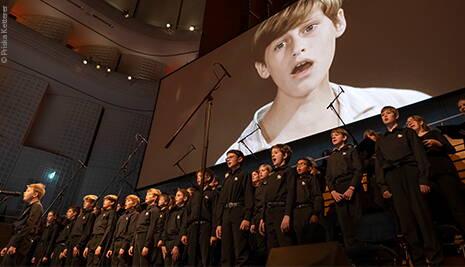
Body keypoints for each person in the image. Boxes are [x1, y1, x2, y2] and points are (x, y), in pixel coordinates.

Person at [216, 0, 429, 164]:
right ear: (262, 67)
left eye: (309, 28)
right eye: (280, 44)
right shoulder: (237, 155)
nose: (297, 48)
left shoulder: (405, 103)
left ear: (338, 22)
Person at [375, 106, 442, 265]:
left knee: (422, 216)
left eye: (388, 113)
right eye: (382, 114)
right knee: (406, 221)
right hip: (393, 178)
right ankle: (417, 259)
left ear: (396, 115)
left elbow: (420, 156)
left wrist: (424, 179)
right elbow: (379, 165)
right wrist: (383, 186)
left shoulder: (408, 133)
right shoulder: (381, 140)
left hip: (411, 174)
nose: (385, 116)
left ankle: (435, 257)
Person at [407, 115, 465, 233]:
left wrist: (437, 143)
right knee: (441, 208)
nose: (409, 123)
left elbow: (451, 149)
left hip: (444, 172)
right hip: (429, 178)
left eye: (412, 121)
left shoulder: (434, 133)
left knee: (456, 205)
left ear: (421, 121)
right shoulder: (412, 142)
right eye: (407, 123)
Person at [325, 128, 362, 247]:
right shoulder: (331, 157)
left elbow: (358, 169)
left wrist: (351, 188)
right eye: (332, 136)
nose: (333, 137)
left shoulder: (351, 151)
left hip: (351, 187)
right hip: (338, 190)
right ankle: (351, 254)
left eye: (336, 135)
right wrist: (333, 192)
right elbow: (328, 177)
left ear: (344, 137)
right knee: (344, 223)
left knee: (357, 221)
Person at [215, 150, 253, 266]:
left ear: (240, 159)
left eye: (231, 157)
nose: (228, 159)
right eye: (227, 158)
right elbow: (221, 201)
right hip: (226, 215)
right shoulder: (227, 179)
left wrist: (246, 217)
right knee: (226, 250)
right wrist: (219, 223)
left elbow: (248, 196)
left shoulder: (244, 174)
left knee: (240, 247)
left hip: (238, 213)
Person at [259, 144, 296, 251]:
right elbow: (266, 198)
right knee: (272, 247)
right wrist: (262, 218)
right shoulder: (272, 175)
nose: (272, 156)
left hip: (281, 211)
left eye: (276, 153)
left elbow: (291, 193)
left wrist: (287, 215)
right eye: (272, 154)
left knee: (284, 243)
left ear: (284, 155)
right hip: (269, 214)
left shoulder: (289, 171)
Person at [0, 183, 45, 266]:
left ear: (35, 194)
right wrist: (8, 245)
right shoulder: (31, 206)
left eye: (28, 191)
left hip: (20, 245)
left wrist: (14, 244)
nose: (24, 192)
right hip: (15, 242)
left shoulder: (37, 207)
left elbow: (28, 227)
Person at [181, 169, 218, 266]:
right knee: (192, 256)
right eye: (197, 176)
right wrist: (184, 232)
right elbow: (187, 213)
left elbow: (215, 213)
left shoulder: (212, 193)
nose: (198, 178)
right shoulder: (194, 194)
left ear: (208, 177)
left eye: (201, 176)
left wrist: (213, 233)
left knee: (205, 256)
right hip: (193, 227)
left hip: (205, 226)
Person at [294, 157, 324, 244]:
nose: (299, 166)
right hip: (296, 212)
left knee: (310, 239)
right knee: (299, 239)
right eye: (297, 164)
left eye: (302, 164)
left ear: (309, 168)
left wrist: (315, 213)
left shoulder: (312, 179)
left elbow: (317, 196)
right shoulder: (294, 181)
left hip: (308, 210)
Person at [129, 188, 161, 267]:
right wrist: (132, 244)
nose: (146, 196)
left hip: (145, 238)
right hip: (137, 238)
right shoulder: (143, 212)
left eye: (149, 194)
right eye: (146, 194)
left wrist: (147, 245)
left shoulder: (155, 210)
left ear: (155, 197)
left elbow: (152, 228)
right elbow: (137, 228)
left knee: (143, 263)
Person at [83, 194, 118, 266]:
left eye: (107, 200)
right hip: (93, 240)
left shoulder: (112, 213)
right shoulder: (101, 214)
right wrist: (87, 245)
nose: (104, 202)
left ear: (112, 202)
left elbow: (109, 229)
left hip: (100, 239)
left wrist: (101, 245)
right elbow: (93, 231)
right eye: (104, 200)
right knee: (89, 263)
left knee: (96, 262)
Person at [106, 194, 139, 267]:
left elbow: (131, 232)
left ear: (134, 203)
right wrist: (111, 248)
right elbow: (115, 233)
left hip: (123, 244)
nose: (126, 203)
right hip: (116, 244)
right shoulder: (122, 216)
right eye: (126, 201)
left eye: (128, 201)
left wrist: (124, 247)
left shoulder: (135, 215)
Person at [64, 195, 98, 266]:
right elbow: (73, 231)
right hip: (72, 242)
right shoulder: (81, 215)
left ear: (92, 204)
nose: (84, 203)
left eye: (87, 202)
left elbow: (87, 232)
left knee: (74, 263)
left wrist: (79, 245)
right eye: (84, 201)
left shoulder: (91, 215)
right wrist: (67, 246)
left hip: (78, 242)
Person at [160, 189, 189, 266]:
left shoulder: (185, 210)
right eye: (176, 195)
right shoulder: (171, 211)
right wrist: (163, 244)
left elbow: (183, 227)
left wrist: (177, 246)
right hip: (167, 243)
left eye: (179, 195)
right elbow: (165, 227)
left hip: (176, 242)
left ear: (185, 198)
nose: (176, 197)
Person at [249, 164, 270, 266]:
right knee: (259, 246)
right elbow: (255, 207)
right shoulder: (258, 189)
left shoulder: (270, 186)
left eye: (263, 170)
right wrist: (253, 222)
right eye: (259, 171)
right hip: (257, 218)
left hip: (267, 216)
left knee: (268, 244)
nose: (260, 172)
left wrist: (263, 218)